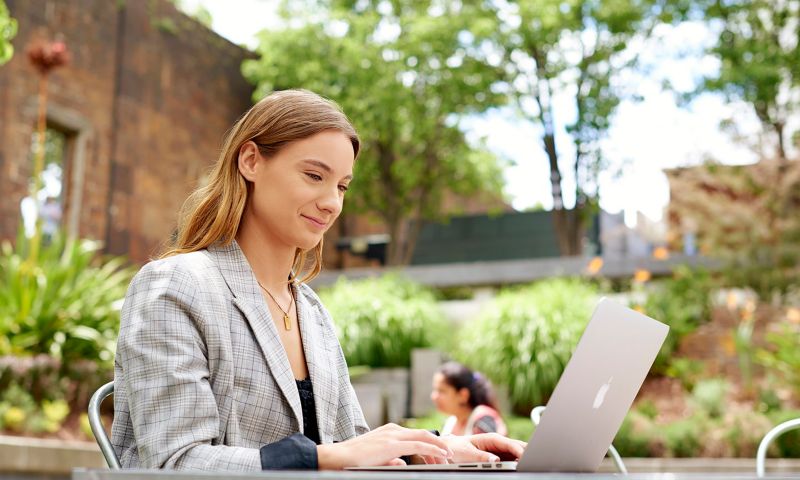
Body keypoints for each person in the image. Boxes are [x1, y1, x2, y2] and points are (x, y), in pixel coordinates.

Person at [110, 89, 525, 471]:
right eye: (314, 176)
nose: (331, 203)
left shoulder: (310, 311)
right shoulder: (176, 286)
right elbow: (173, 463)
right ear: (251, 160)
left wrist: (437, 449)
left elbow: (351, 444)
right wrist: (328, 456)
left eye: (342, 186)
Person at [432, 362, 507, 436]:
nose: (433, 396)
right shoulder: (450, 422)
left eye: (441, 391)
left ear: (463, 395)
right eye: (435, 390)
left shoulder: (483, 420)